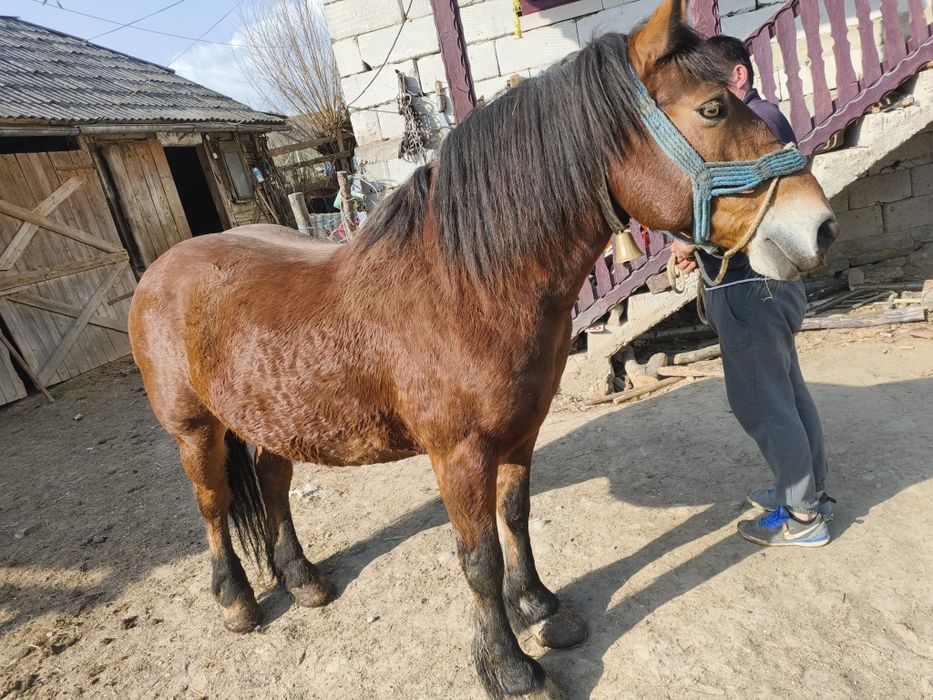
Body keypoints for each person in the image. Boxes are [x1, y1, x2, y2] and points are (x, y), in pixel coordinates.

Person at [671, 35, 834, 547]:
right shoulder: (769, 119)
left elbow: (727, 201)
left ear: (737, 78)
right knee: (788, 393)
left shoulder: (754, 122)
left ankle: (802, 517)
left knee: (763, 403)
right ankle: (807, 490)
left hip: (748, 283)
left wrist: (687, 239)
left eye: (712, 92)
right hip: (768, 285)